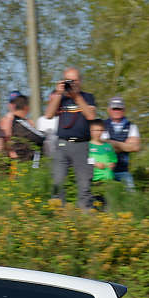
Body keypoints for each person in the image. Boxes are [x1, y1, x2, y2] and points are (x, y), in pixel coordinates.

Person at [45, 69, 97, 207]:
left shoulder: (88, 97)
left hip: (82, 145)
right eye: (68, 80)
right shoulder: (60, 98)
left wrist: (77, 97)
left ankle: (85, 216)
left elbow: (91, 116)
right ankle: (57, 214)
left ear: (80, 81)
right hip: (61, 145)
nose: (71, 83)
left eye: (74, 80)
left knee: (84, 184)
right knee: (57, 181)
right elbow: (49, 115)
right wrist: (58, 94)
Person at [103, 98, 141, 189]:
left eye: (119, 109)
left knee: (131, 199)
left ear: (124, 110)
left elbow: (135, 147)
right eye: (114, 108)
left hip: (123, 171)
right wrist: (125, 145)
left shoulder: (132, 126)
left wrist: (112, 143)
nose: (117, 111)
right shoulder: (101, 125)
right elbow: (102, 146)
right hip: (104, 170)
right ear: (109, 110)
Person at [0, 91, 43, 167]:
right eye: (12, 103)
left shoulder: (27, 121)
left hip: (28, 159)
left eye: (16, 102)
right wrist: (11, 152)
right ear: (9, 105)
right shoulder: (6, 120)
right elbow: (5, 139)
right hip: (14, 160)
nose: (14, 105)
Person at [86, 119, 116, 209]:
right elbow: (84, 159)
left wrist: (112, 164)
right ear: (90, 131)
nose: (98, 133)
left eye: (100, 130)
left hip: (108, 181)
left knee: (108, 207)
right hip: (95, 181)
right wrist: (95, 163)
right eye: (95, 130)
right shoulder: (87, 145)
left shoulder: (108, 146)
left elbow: (113, 159)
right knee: (96, 206)